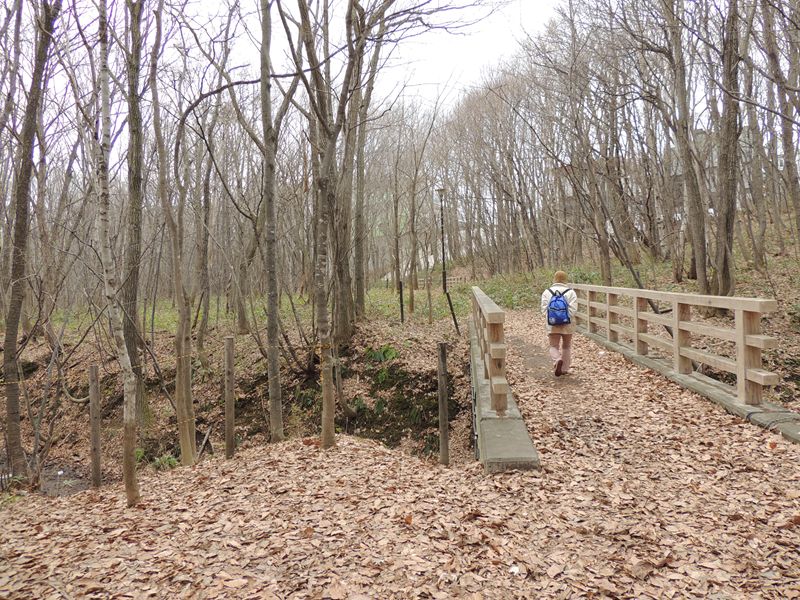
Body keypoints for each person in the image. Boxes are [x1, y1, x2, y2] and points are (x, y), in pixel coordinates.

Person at [540, 271, 578, 376]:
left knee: (553, 346)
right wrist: (565, 318)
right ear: (566, 279)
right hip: (568, 324)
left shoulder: (547, 292)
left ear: (554, 279)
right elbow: (573, 309)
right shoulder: (571, 292)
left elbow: (544, 309)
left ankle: (557, 360)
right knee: (566, 346)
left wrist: (553, 318)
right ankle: (564, 369)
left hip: (552, 324)